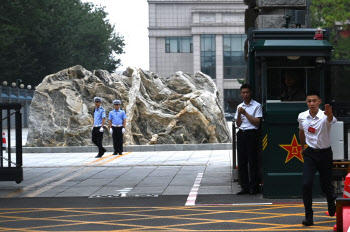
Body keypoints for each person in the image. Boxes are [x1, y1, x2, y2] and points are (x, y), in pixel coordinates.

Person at [298, 91, 337, 226]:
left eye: (314, 101)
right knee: (306, 184)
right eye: (309, 101)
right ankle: (309, 216)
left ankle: (331, 201)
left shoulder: (325, 115)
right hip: (310, 153)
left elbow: (331, 120)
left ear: (319, 102)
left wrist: (330, 114)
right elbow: (301, 131)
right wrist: (302, 147)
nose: (312, 103)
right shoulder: (302, 116)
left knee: (326, 184)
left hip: (325, 153)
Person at [234, 84, 263, 195]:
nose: (245, 95)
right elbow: (238, 123)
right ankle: (244, 187)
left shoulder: (256, 106)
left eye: (247, 92)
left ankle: (254, 186)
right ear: (241, 94)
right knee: (242, 161)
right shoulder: (239, 106)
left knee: (253, 160)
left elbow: (257, 122)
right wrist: (240, 115)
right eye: (243, 93)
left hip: (252, 133)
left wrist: (245, 113)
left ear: (250, 93)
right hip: (242, 133)